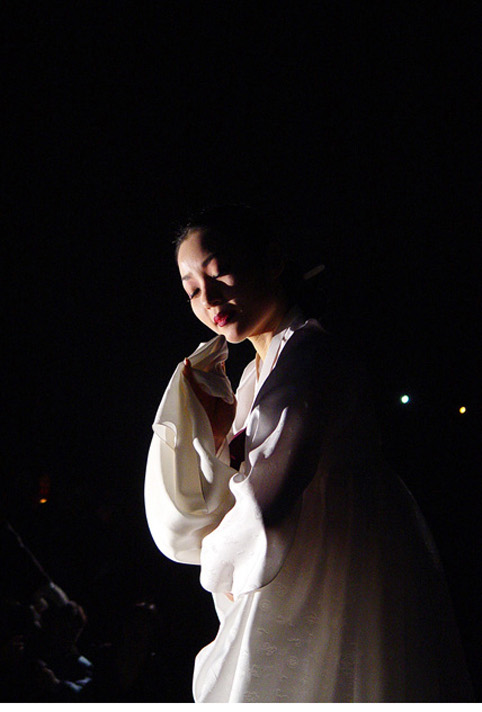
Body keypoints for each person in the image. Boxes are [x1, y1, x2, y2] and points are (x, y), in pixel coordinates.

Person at [144, 205, 468, 695]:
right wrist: (217, 438)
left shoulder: (310, 357)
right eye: (191, 289)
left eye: (218, 272)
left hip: (332, 567)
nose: (207, 298)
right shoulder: (254, 373)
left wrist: (215, 562)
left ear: (272, 261)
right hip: (299, 564)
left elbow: (261, 508)